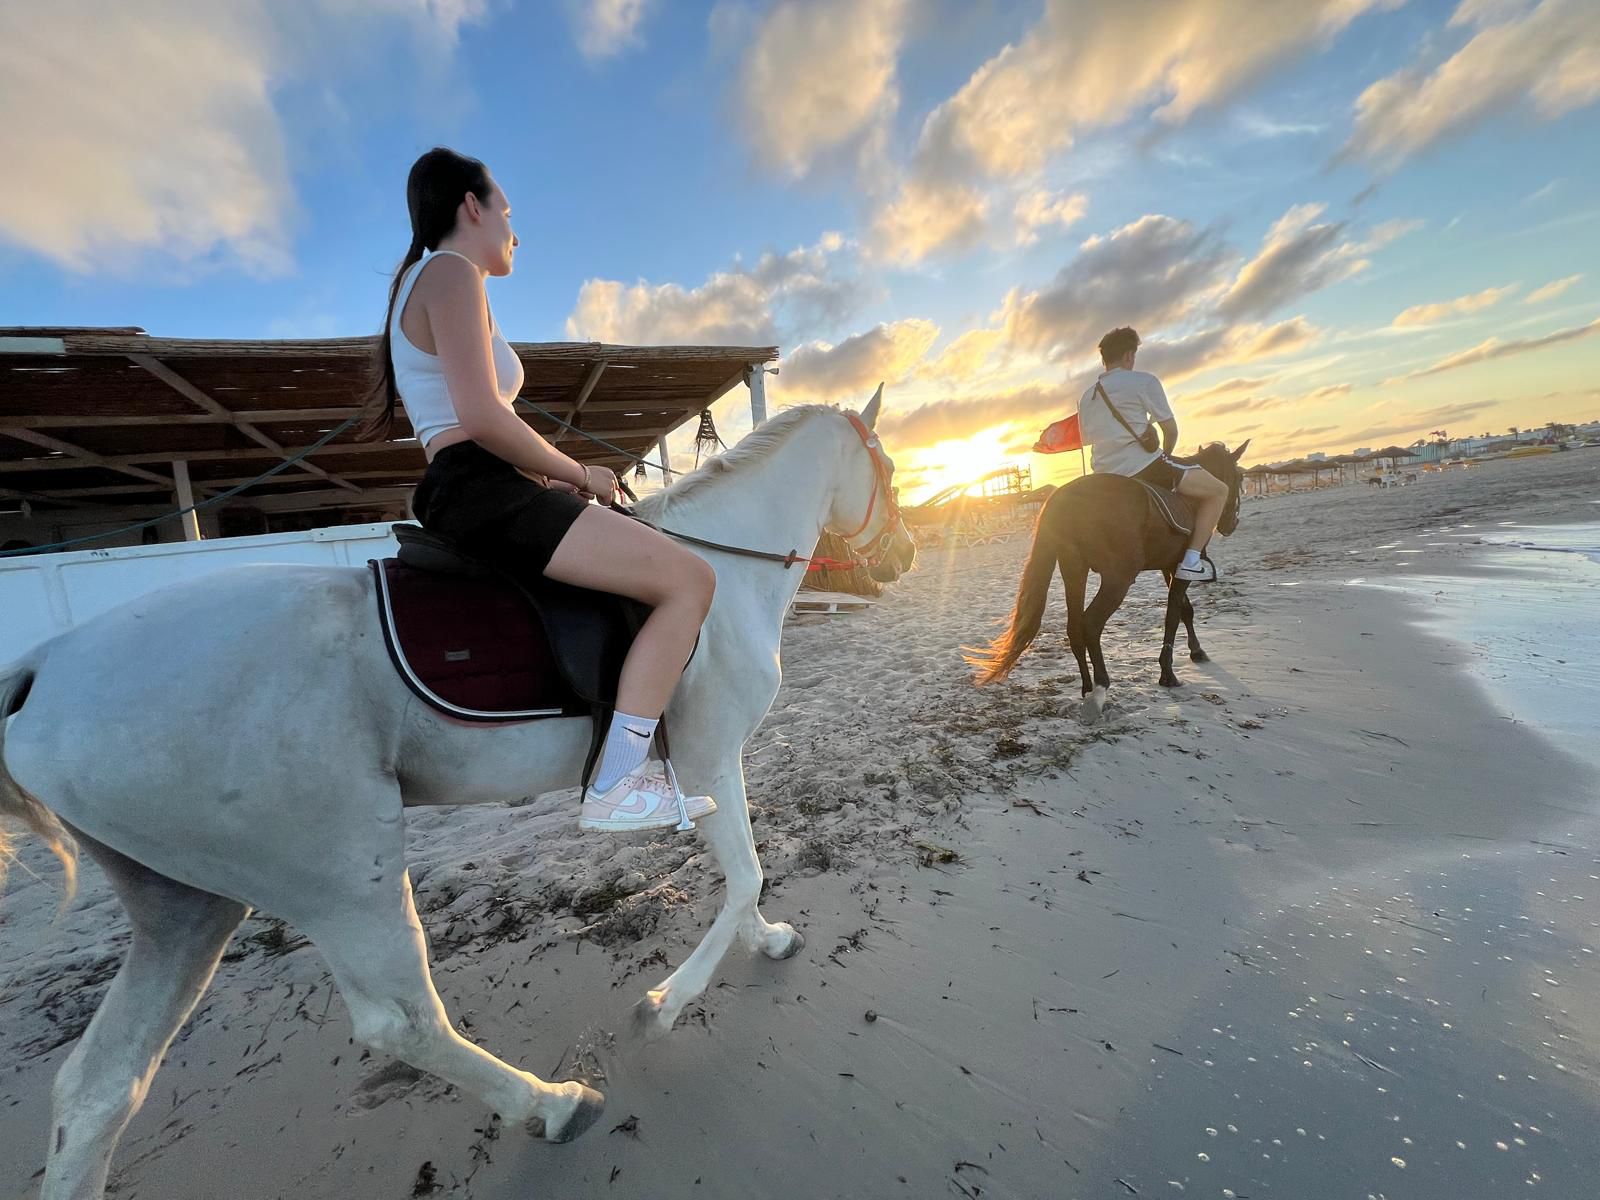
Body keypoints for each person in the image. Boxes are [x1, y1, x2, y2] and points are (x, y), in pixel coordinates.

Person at [365, 147, 717, 833]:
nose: (514, 231)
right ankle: (617, 782)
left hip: (481, 482)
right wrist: (579, 473)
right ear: (473, 206)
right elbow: (483, 417)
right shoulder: (451, 271)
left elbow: (478, 422)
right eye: (507, 211)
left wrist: (556, 473)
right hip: (479, 486)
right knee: (690, 581)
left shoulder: (421, 280)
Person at [1077, 326, 1228, 582]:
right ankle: (1192, 560)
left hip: (1102, 474)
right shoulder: (1143, 381)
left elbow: (1088, 438)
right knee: (1219, 490)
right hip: (1142, 466)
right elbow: (1170, 430)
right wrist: (1165, 454)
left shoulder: (1086, 396)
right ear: (1128, 356)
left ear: (1104, 360)